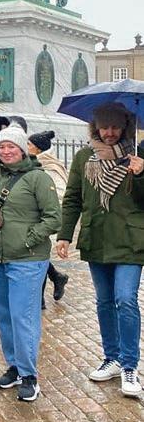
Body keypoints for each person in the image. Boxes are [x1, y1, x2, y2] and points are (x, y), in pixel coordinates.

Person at [57, 102, 144, 397]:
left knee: (126, 299)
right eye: (104, 127)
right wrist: (64, 235)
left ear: (125, 127)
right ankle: (113, 358)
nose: (109, 132)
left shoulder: (137, 156)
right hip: (97, 238)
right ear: (95, 128)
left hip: (130, 240)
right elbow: (72, 198)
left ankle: (130, 365)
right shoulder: (84, 157)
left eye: (115, 127)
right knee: (105, 301)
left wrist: (140, 173)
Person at [0, 124, 61, 402]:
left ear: (23, 149)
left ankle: (29, 375)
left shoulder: (38, 178)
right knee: (4, 315)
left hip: (28, 260)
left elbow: (53, 217)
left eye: (11, 146)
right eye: (1, 146)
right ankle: (14, 366)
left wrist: (29, 239)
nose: (6, 151)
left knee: (22, 317)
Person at [27, 130, 69, 307]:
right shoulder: (30, 163)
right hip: (32, 218)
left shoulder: (50, 167)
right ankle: (56, 277)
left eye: (29, 144)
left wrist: (42, 203)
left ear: (37, 148)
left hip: (46, 219)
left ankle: (40, 298)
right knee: (36, 256)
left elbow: (61, 194)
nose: (26, 147)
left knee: (39, 255)